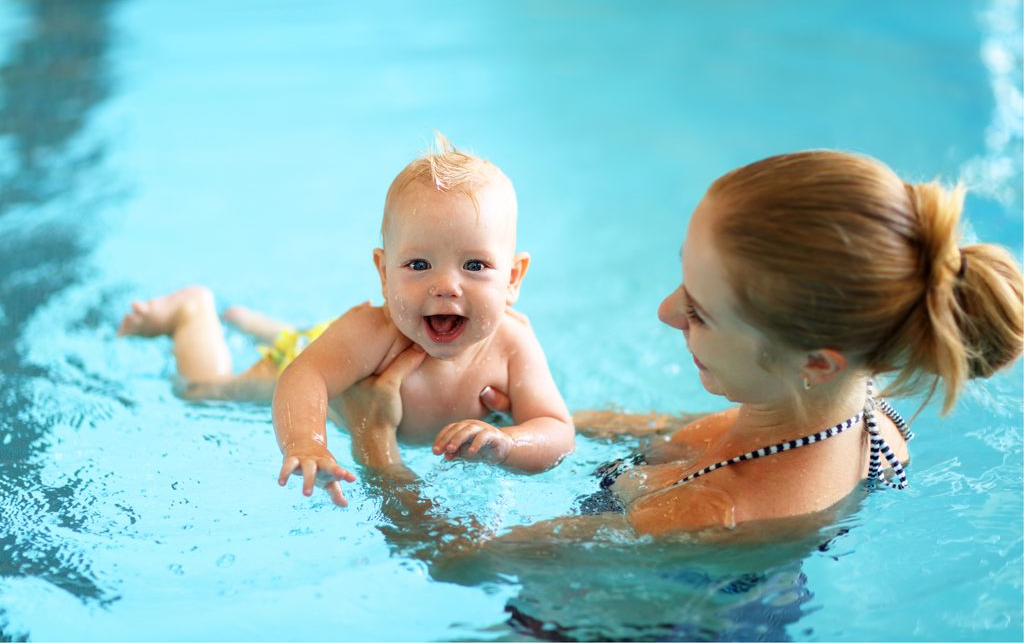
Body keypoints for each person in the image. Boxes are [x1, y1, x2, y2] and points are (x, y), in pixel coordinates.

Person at [342, 150, 1024, 538]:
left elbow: (460, 562)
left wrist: (375, 445)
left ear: (817, 360)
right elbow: (685, 434)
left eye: (699, 311)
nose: (667, 311)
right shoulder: (861, 404)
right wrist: (522, 424)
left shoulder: (705, 513)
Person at [117, 133, 575, 507]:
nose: (446, 286)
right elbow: (305, 375)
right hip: (320, 353)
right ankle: (191, 313)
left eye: (475, 266)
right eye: (418, 265)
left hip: (338, 348)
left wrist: (509, 444)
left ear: (514, 278)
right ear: (383, 273)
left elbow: (555, 428)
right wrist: (305, 440)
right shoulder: (375, 332)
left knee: (322, 342)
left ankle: (259, 323)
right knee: (207, 392)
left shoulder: (513, 344)